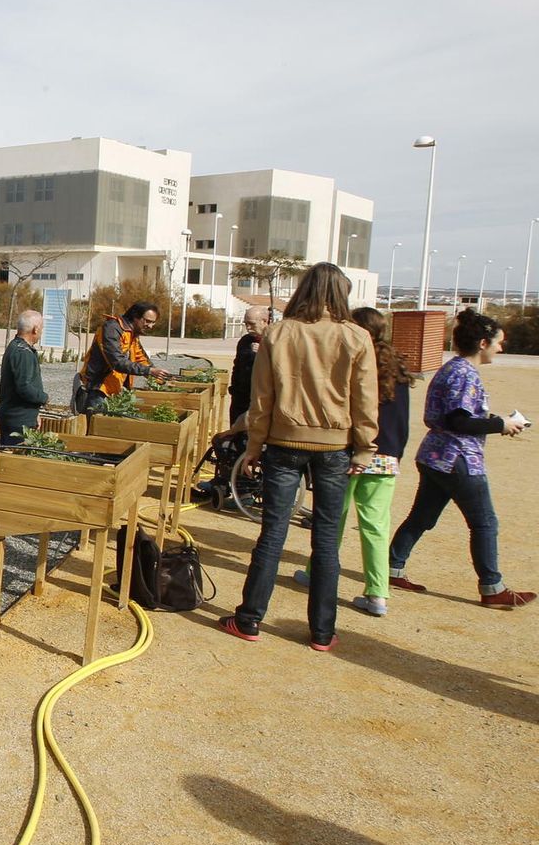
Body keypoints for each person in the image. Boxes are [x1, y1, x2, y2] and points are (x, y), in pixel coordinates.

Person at [221, 263, 377, 651]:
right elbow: (365, 399)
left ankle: (249, 619)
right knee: (326, 540)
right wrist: (364, 446)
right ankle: (322, 632)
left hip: (284, 444)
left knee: (273, 532)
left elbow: (262, 399)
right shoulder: (357, 337)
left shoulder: (279, 333)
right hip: (335, 447)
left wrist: (254, 445)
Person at [386, 309, 535, 609]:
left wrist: (497, 421)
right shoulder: (464, 374)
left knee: (422, 517)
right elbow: (459, 421)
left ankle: (392, 567)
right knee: (485, 523)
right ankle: (492, 587)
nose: (501, 348)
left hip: (436, 456)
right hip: (458, 458)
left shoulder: (453, 369)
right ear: (483, 343)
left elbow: (460, 416)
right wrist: (499, 424)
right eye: (498, 342)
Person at [291, 307, 413, 616]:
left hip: (348, 453)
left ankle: (314, 571)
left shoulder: (352, 362)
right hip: (385, 458)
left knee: (332, 518)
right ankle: (378, 594)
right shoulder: (397, 370)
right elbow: (402, 420)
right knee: (375, 527)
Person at [72, 301, 171, 414]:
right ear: (135, 316)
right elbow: (116, 361)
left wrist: (163, 379)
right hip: (97, 388)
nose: (150, 326)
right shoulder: (112, 329)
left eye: (153, 323)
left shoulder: (132, 334)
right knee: (95, 426)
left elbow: (141, 358)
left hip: (114, 389)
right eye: (148, 321)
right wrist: (150, 371)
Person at [0, 310, 48, 444]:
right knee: (15, 461)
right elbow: (24, 387)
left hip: (18, 416)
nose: (42, 332)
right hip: (18, 420)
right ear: (35, 329)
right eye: (42, 328)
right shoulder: (23, 352)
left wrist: (35, 414)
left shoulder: (15, 346)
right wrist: (44, 398)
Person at [228, 306, 270, 426]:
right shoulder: (245, 341)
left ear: (264, 321)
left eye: (251, 323)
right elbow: (237, 367)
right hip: (240, 399)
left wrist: (263, 353)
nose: (248, 327)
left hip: (261, 402)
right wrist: (234, 391)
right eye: (246, 324)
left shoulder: (274, 341)